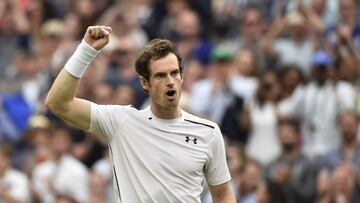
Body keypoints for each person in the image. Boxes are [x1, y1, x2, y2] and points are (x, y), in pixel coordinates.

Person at [45, 25, 235, 202]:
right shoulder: (120, 122)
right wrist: (86, 50)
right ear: (145, 83)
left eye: (174, 73)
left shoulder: (208, 132)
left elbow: (223, 194)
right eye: (160, 75)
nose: (170, 81)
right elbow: (58, 103)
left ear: (182, 76)